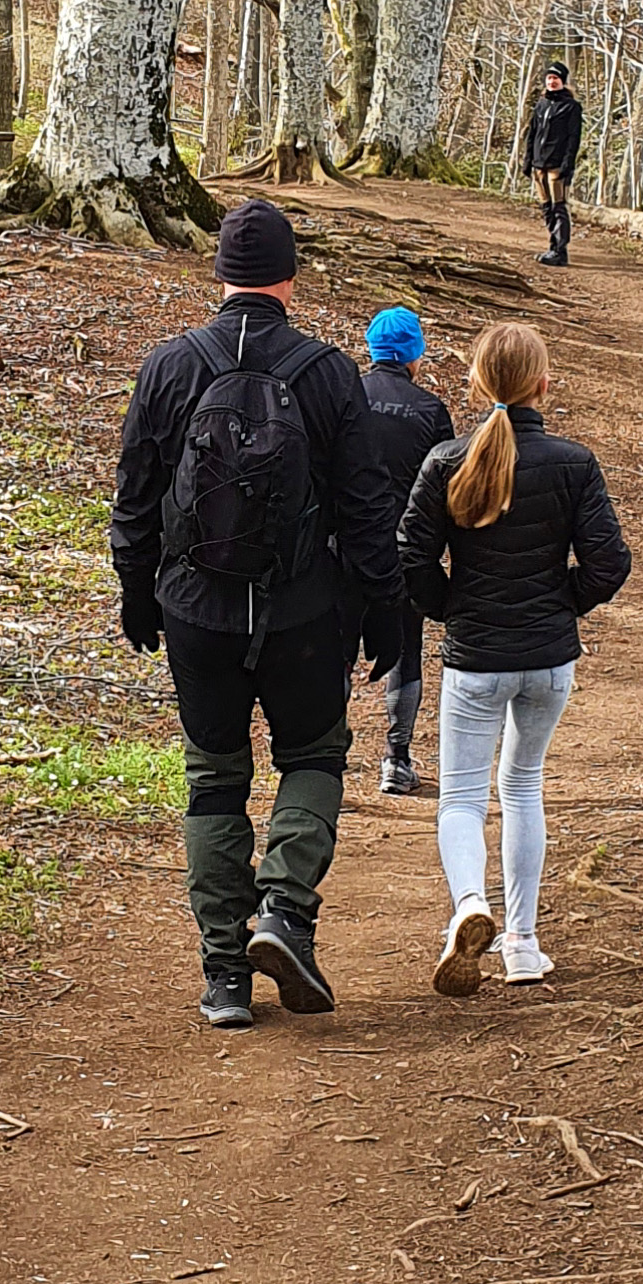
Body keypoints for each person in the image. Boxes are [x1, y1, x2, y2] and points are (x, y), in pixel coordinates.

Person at [112, 199, 406, 1029]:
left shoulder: (169, 366)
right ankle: (285, 911)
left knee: (214, 776)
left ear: (220, 274)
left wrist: (137, 588)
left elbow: (135, 495)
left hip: (196, 610)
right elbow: (365, 504)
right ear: (289, 275)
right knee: (313, 751)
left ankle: (223, 975)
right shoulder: (326, 371)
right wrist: (387, 606)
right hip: (305, 613)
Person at [398, 321, 631, 995]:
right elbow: (610, 562)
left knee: (462, 798)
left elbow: (410, 555)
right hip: (549, 659)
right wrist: (563, 606)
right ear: (543, 384)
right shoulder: (573, 462)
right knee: (523, 786)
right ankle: (523, 945)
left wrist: (450, 607)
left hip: (476, 657)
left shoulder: (447, 460)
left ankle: (471, 902)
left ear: (475, 382)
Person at [360, 306, 454, 797]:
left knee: (332, 651)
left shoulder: (346, 396)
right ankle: (396, 760)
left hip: (344, 549)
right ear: (414, 354)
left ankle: (323, 761)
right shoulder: (431, 411)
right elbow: (448, 492)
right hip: (405, 553)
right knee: (405, 652)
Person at [522, 60, 583, 267]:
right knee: (546, 207)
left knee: (559, 207)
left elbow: (573, 138)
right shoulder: (541, 105)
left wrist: (568, 164)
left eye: (556, 78)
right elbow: (532, 134)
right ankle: (552, 245)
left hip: (557, 165)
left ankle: (561, 250)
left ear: (563, 81)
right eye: (549, 78)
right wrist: (527, 160)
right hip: (539, 164)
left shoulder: (571, 107)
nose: (552, 82)